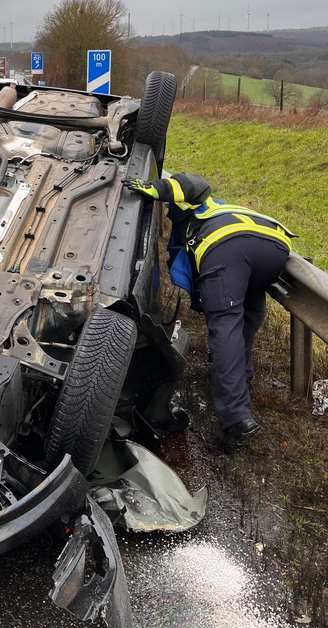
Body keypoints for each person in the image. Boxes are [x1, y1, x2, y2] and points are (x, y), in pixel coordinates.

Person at [124, 172, 294, 452]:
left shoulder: (198, 207)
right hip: (274, 247)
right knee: (247, 316)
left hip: (226, 247)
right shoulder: (227, 209)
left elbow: (195, 184)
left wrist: (157, 187)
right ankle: (242, 379)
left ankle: (236, 420)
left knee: (225, 327)